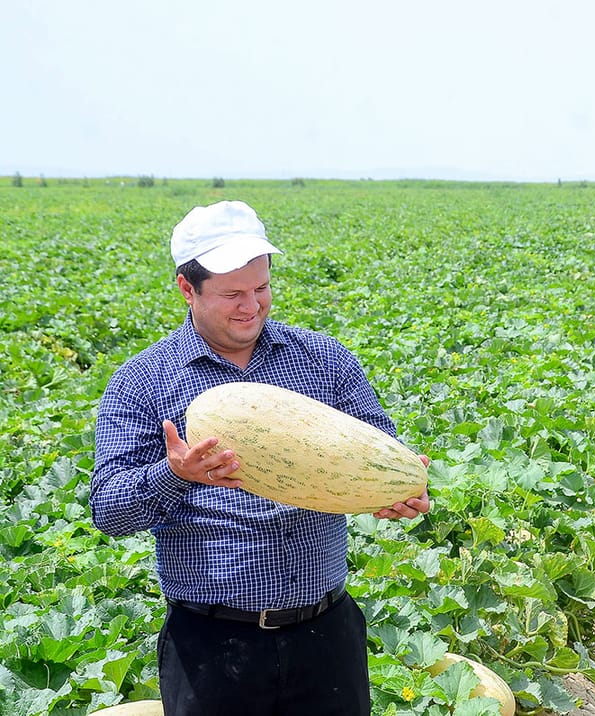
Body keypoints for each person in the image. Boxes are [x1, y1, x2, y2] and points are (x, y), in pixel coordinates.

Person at [91, 200, 430, 716]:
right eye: (232, 294)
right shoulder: (142, 381)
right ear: (187, 288)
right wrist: (175, 474)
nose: (251, 306)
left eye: (261, 288)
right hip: (210, 647)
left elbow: (381, 449)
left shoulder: (325, 359)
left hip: (327, 635)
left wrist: (400, 493)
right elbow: (109, 510)